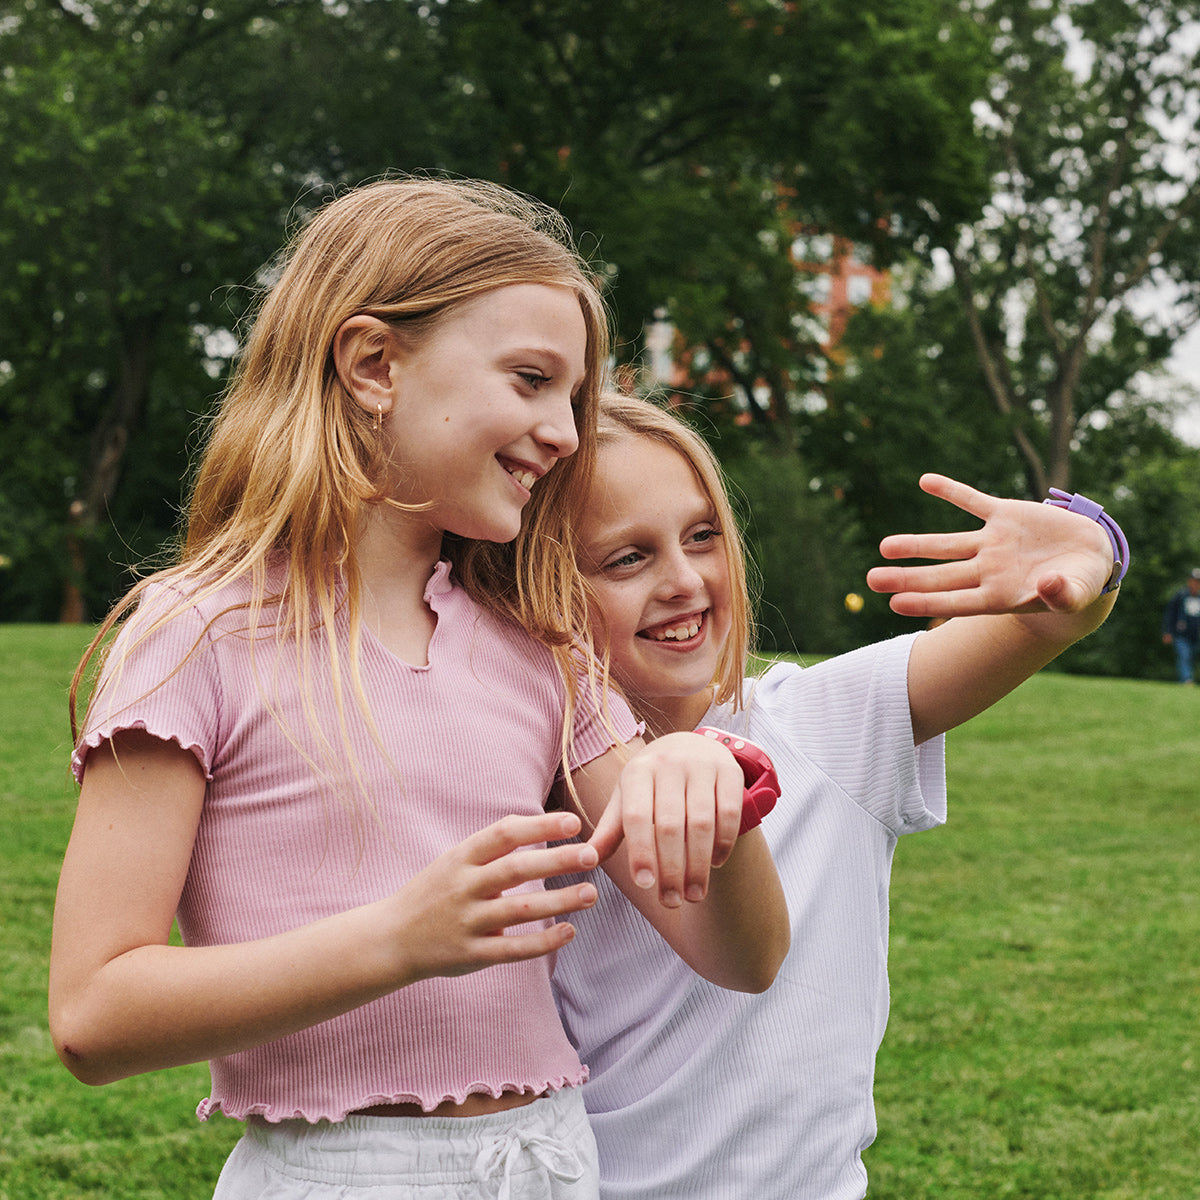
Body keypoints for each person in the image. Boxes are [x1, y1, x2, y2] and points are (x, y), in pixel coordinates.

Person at [48, 182, 788, 1200]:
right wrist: (397, 940)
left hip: (550, 1160)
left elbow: (738, 957)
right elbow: (94, 1014)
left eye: (571, 399)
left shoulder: (543, 650)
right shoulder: (198, 634)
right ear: (373, 365)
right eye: (531, 380)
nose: (568, 433)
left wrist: (717, 784)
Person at [550, 392, 1124, 1199]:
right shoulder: (531, 778)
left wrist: (1099, 549)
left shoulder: (825, 720)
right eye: (627, 558)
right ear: (543, 589)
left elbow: (1048, 620)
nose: (684, 580)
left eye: (703, 536)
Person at [1161, 568, 1200, 684]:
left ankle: (1188, 678)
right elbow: (1170, 614)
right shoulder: (1180, 596)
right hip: (1181, 634)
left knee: (1191, 657)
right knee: (1184, 656)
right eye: (1195, 581)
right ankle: (1187, 680)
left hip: (1196, 635)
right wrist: (1167, 632)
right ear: (1189, 581)